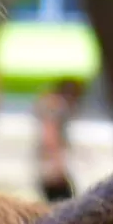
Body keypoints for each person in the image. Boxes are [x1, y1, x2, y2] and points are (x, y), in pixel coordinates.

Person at [34, 74, 84, 203]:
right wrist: (58, 165)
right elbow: (50, 135)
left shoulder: (47, 104)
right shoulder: (56, 107)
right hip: (54, 170)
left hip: (46, 167)